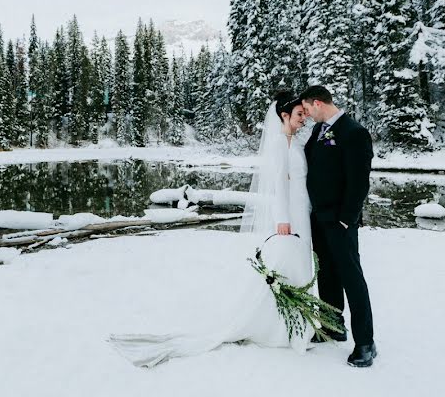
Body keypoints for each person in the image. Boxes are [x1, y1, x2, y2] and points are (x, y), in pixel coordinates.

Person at [108, 92, 317, 367]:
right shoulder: (279, 144)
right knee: (288, 265)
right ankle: (278, 327)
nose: (304, 119)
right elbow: (278, 185)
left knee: (296, 266)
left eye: (305, 114)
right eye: (299, 114)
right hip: (290, 216)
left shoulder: (293, 141)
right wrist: (282, 220)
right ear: (284, 116)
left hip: (302, 211)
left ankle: (296, 321)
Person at [300, 85, 377, 368]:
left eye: (307, 110)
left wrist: (347, 218)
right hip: (319, 218)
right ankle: (333, 325)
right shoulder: (318, 132)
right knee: (327, 274)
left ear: (318, 103)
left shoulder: (353, 132)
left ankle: (366, 343)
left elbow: (359, 182)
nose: (306, 115)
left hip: (341, 221)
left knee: (351, 278)